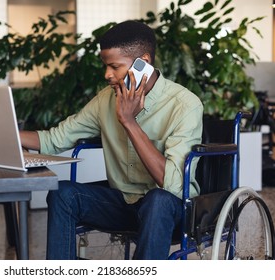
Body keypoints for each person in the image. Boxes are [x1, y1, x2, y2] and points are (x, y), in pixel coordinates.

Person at [20, 20, 203, 259]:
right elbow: (56, 139)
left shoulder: (184, 105)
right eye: (106, 66)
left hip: (173, 209)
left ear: (143, 63)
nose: (107, 75)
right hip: (124, 202)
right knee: (62, 193)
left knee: (157, 200)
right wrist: (5, 136)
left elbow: (172, 186)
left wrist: (129, 122)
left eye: (114, 66)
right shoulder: (105, 99)